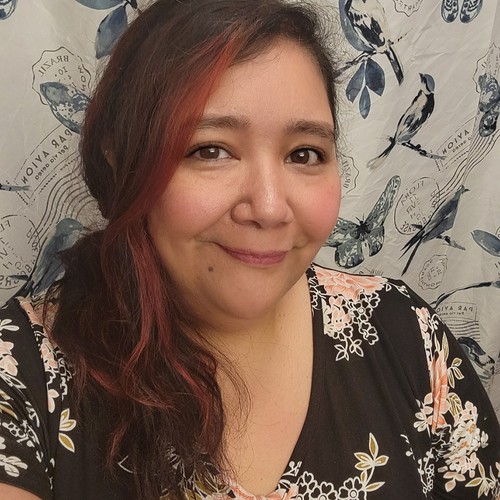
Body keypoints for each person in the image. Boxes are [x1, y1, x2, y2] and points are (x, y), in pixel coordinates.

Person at [0, 0, 498, 498]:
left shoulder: (404, 334)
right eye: (210, 150)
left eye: (304, 154)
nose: (269, 208)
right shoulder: (25, 370)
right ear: (121, 164)